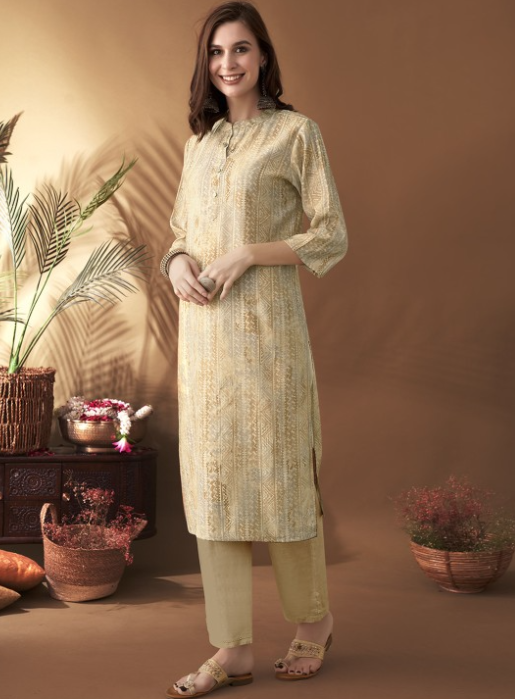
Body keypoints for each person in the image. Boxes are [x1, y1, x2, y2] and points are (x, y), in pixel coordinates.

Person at [160, 2, 348, 696]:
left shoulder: (296, 134)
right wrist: (176, 263)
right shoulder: (199, 145)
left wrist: (249, 253)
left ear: (263, 55)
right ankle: (231, 649)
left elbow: (330, 233)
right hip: (205, 347)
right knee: (214, 488)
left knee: (282, 478)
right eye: (216, 52)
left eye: (240, 49)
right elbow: (180, 231)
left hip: (269, 341)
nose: (228, 64)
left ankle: (314, 620)